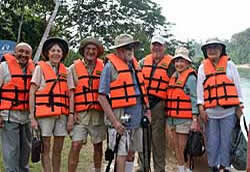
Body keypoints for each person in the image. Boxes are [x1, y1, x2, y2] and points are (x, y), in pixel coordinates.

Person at [98, 34, 151, 172]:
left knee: (131, 153)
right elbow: (102, 97)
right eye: (126, 47)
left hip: (137, 118)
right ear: (118, 50)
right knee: (120, 155)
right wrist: (115, 122)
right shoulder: (109, 67)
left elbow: (141, 91)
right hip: (120, 118)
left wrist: (147, 111)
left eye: (131, 47)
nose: (130, 50)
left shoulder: (135, 66)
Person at [197, 38, 244, 172]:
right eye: (209, 48)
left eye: (215, 47)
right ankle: (214, 167)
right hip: (210, 114)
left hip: (228, 112)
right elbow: (200, 92)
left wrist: (240, 108)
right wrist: (201, 108)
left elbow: (238, 88)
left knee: (227, 142)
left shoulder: (230, 66)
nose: (212, 50)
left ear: (221, 49)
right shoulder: (202, 68)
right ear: (206, 51)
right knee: (212, 143)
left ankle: (225, 167)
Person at [29, 38, 70, 172]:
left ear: (62, 54)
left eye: (59, 51)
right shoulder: (40, 68)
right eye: (53, 50)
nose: (56, 53)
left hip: (61, 115)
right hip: (44, 115)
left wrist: (71, 115)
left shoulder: (66, 71)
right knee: (45, 147)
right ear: (47, 53)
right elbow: (32, 91)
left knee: (58, 148)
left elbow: (71, 94)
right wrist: (32, 117)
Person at [67, 38, 106, 172]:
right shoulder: (73, 68)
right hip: (80, 114)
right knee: (76, 145)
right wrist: (71, 114)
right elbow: (71, 93)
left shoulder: (104, 67)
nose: (90, 51)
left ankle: (97, 170)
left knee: (98, 145)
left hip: (98, 114)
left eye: (94, 49)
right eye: (88, 49)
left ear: (98, 51)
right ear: (83, 51)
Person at [137, 35, 174, 172]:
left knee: (158, 141)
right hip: (143, 104)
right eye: (154, 45)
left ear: (164, 47)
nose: (157, 48)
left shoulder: (171, 64)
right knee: (143, 139)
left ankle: (159, 169)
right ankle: (143, 167)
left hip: (159, 105)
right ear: (150, 46)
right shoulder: (142, 62)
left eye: (160, 45)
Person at [0, 42, 34, 172]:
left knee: (25, 151)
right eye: (21, 51)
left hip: (26, 117)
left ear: (30, 55)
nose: (23, 55)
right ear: (15, 52)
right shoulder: (3, 67)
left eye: (27, 53)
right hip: (9, 116)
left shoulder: (33, 68)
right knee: (11, 152)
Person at [166, 47, 199, 172]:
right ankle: (181, 170)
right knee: (177, 148)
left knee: (185, 148)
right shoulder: (174, 77)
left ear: (188, 63)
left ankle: (188, 170)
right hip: (172, 119)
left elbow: (195, 99)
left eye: (182, 61)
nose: (179, 64)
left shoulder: (190, 78)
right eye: (177, 61)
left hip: (185, 120)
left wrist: (195, 120)